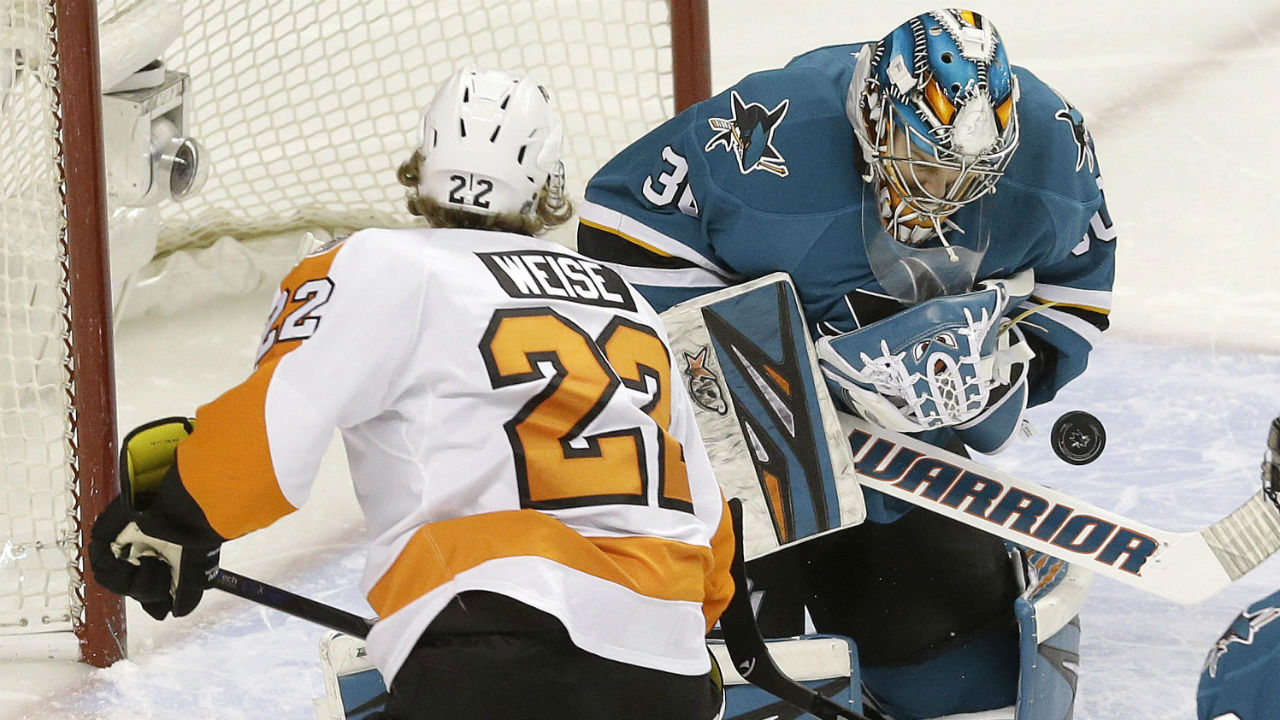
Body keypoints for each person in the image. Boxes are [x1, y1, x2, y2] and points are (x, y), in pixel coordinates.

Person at [88, 65, 735, 720]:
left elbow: (270, 441)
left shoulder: (380, 263)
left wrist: (175, 521)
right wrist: (670, 644)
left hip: (489, 650)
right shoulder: (627, 302)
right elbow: (709, 532)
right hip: (665, 668)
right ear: (550, 186)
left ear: (420, 168)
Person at [576, 8, 1114, 720]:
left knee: (959, 682)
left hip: (901, 457)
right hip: (738, 455)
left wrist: (1012, 364)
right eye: (924, 160)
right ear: (874, 116)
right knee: (737, 670)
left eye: (972, 174)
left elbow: (1079, 291)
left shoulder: (1054, 149)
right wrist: (765, 369)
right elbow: (618, 234)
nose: (944, 192)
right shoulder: (769, 136)